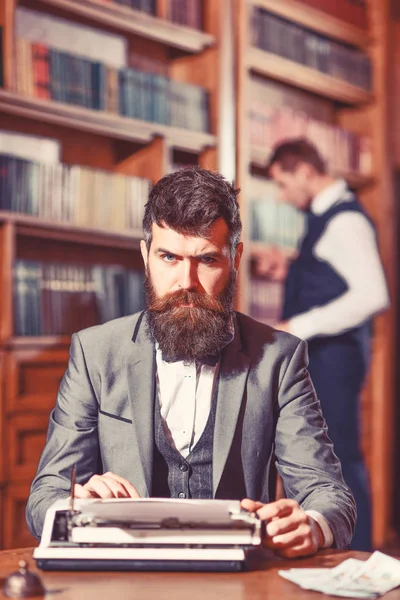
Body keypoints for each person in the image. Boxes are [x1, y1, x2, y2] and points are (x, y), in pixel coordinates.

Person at [26, 166, 356, 558]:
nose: (187, 282)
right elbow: (44, 497)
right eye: (169, 257)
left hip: (239, 584)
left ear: (235, 257)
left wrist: (313, 525)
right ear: (146, 254)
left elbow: (329, 494)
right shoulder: (94, 353)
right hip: (121, 580)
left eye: (206, 260)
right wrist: (73, 504)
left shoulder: (280, 359)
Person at [260, 139, 389, 551]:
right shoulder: (324, 218)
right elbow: (332, 281)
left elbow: (373, 295)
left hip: (335, 362)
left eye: (283, 183)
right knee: (324, 459)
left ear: (304, 172)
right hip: (325, 359)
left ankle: (360, 555)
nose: (283, 195)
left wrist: (297, 324)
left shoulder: (344, 221)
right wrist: (291, 268)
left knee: (340, 459)